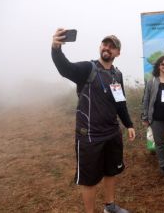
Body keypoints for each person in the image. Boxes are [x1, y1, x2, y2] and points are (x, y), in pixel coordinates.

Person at [51, 28, 136, 213]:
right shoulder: (87, 69)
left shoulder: (117, 74)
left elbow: (120, 102)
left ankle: (110, 207)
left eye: (112, 47)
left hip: (112, 133)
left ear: (118, 53)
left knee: (111, 171)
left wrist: (128, 124)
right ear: (100, 47)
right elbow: (65, 68)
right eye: (105, 44)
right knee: (89, 179)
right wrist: (56, 49)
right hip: (89, 136)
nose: (108, 48)